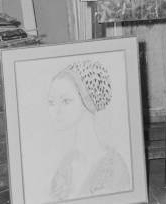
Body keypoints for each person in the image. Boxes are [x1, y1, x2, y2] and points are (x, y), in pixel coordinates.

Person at [47, 60, 130, 201]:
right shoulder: (65, 165)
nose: (56, 111)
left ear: (88, 101)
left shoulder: (113, 167)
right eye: (51, 102)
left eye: (66, 101)